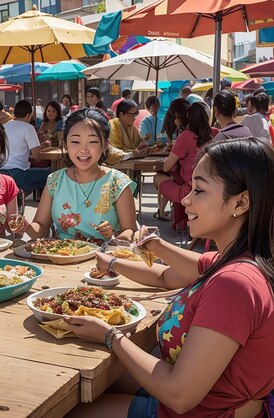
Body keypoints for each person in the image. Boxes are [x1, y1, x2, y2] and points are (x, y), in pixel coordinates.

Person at [66, 138, 274, 418]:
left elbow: (179, 395)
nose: (185, 199)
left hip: (199, 411)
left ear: (241, 202)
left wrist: (110, 335)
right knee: (92, 379)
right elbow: (166, 275)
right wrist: (123, 258)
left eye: (199, 190)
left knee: (71, 409)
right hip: (204, 399)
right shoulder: (237, 260)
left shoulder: (234, 282)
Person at [24, 108, 137, 242]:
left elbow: (130, 231)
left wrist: (112, 236)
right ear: (65, 144)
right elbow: (40, 226)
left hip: (103, 257)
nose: (83, 150)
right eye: (75, 142)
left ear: (106, 145)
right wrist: (23, 225)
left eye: (93, 142)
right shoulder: (55, 181)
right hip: (62, 256)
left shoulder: (118, 183)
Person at [153, 100, 217, 221]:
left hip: (188, 191)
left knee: (158, 177)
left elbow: (166, 166)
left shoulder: (186, 136)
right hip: (209, 188)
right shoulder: (214, 134)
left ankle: (164, 212)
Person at [0, 100, 50, 194]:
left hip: (0, 173)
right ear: (28, 115)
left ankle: (20, 199)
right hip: (17, 175)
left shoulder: (4, 127)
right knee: (52, 174)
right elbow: (37, 156)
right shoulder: (28, 128)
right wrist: (45, 145)